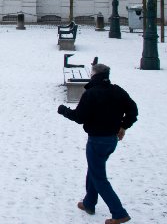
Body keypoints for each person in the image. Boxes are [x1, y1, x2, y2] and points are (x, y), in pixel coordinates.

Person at [57, 63, 138, 224]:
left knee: (99, 176)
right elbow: (133, 110)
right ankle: (89, 203)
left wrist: (63, 110)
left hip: (97, 141)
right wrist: (123, 126)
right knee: (94, 169)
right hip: (111, 141)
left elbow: (79, 117)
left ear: (94, 75)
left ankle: (119, 213)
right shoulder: (117, 90)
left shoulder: (91, 93)